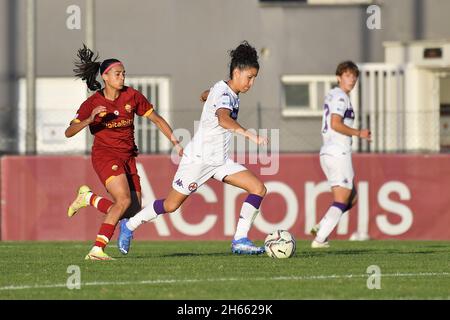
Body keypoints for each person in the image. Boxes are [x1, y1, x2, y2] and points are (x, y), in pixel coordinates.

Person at [117, 41, 268, 255]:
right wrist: (249, 134)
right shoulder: (224, 94)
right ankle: (129, 225)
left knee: (258, 189)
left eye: (254, 78)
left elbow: (210, 94)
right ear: (236, 72)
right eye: (249, 77)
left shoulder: (225, 90)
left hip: (219, 161)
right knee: (170, 205)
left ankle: (240, 240)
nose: (251, 83)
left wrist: (206, 96)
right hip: (198, 160)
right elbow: (223, 119)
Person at [65, 45, 182, 260]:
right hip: (105, 155)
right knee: (122, 201)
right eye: (118, 74)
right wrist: (89, 120)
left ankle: (89, 198)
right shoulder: (92, 103)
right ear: (106, 77)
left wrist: (174, 140)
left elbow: (155, 118)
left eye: (124, 73)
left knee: (131, 212)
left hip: (128, 157)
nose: (122, 77)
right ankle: (97, 250)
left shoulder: (132, 95)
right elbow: (68, 132)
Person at [311, 61, 371, 248]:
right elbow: (336, 123)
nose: (351, 79)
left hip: (328, 152)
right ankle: (320, 239)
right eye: (347, 75)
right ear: (339, 77)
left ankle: (322, 226)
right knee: (342, 198)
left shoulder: (333, 95)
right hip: (338, 152)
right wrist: (359, 133)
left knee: (351, 197)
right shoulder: (340, 97)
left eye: (354, 76)